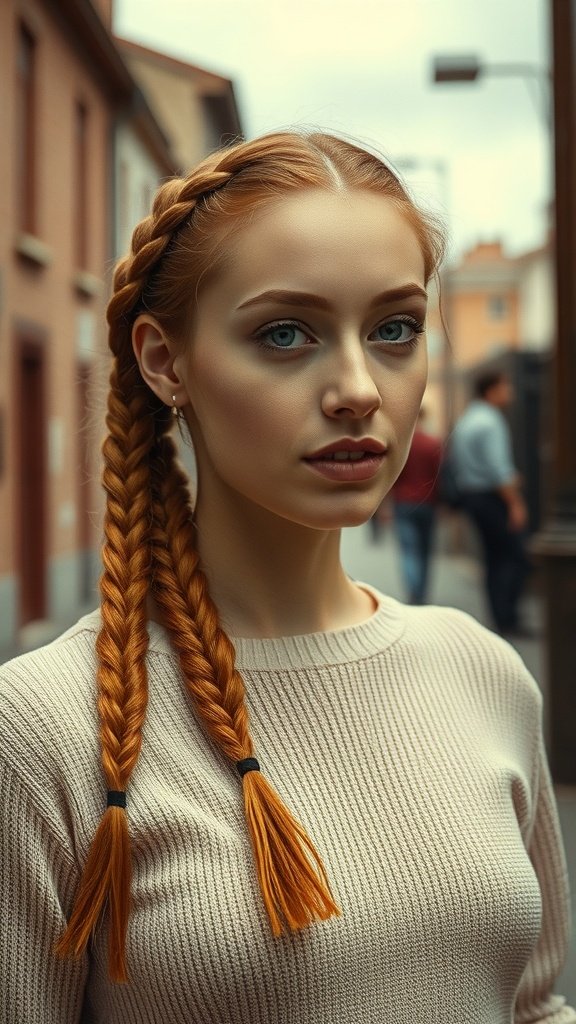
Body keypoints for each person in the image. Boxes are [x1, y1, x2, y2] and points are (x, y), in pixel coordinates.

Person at [0, 132, 573, 1024]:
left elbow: (534, 1006)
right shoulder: (43, 729)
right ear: (164, 362)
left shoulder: (484, 670)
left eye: (394, 329)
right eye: (284, 333)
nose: (358, 388)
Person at [450, 371, 532, 637]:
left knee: (494, 558)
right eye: (506, 386)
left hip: (473, 496)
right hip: (492, 497)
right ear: (492, 391)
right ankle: (508, 618)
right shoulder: (490, 421)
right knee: (514, 557)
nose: (511, 392)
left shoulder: (467, 419)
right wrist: (515, 503)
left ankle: (499, 616)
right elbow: (498, 470)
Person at [390, 405, 442, 603]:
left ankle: (413, 588)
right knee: (425, 550)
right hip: (428, 503)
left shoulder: (403, 445)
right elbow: (439, 477)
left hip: (403, 502)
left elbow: (393, 477)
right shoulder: (432, 443)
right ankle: (422, 592)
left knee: (408, 549)